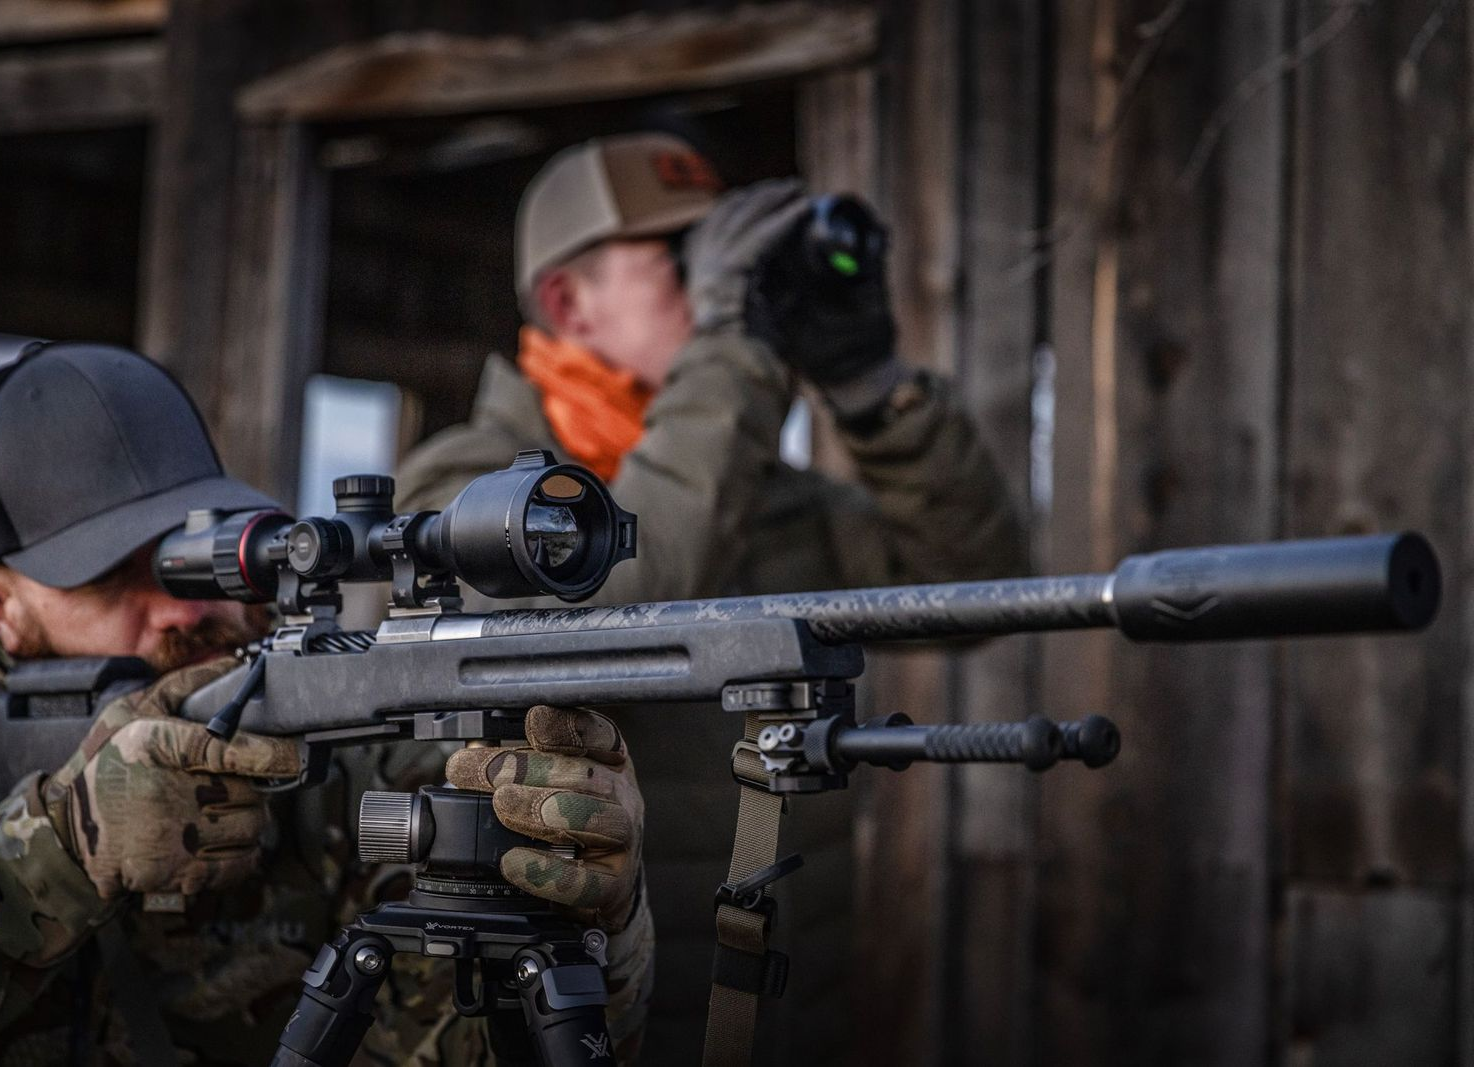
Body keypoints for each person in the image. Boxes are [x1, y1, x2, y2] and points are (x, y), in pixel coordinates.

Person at [392, 133, 1031, 1064]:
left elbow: (982, 587)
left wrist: (872, 389)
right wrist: (734, 345)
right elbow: (614, 607)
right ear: (571, 303)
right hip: (580, 1025)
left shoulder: (761, 492)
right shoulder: (464, 488)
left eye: (733, 262)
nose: (730, 288)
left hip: (782, 1016)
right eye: (692, 264)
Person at [0, 341, 652, 1065]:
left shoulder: (326, 728)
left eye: (190, 554)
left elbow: (461, 1045)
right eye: (110, 574)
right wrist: (57, 850)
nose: (185, 607)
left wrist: (591, 929)